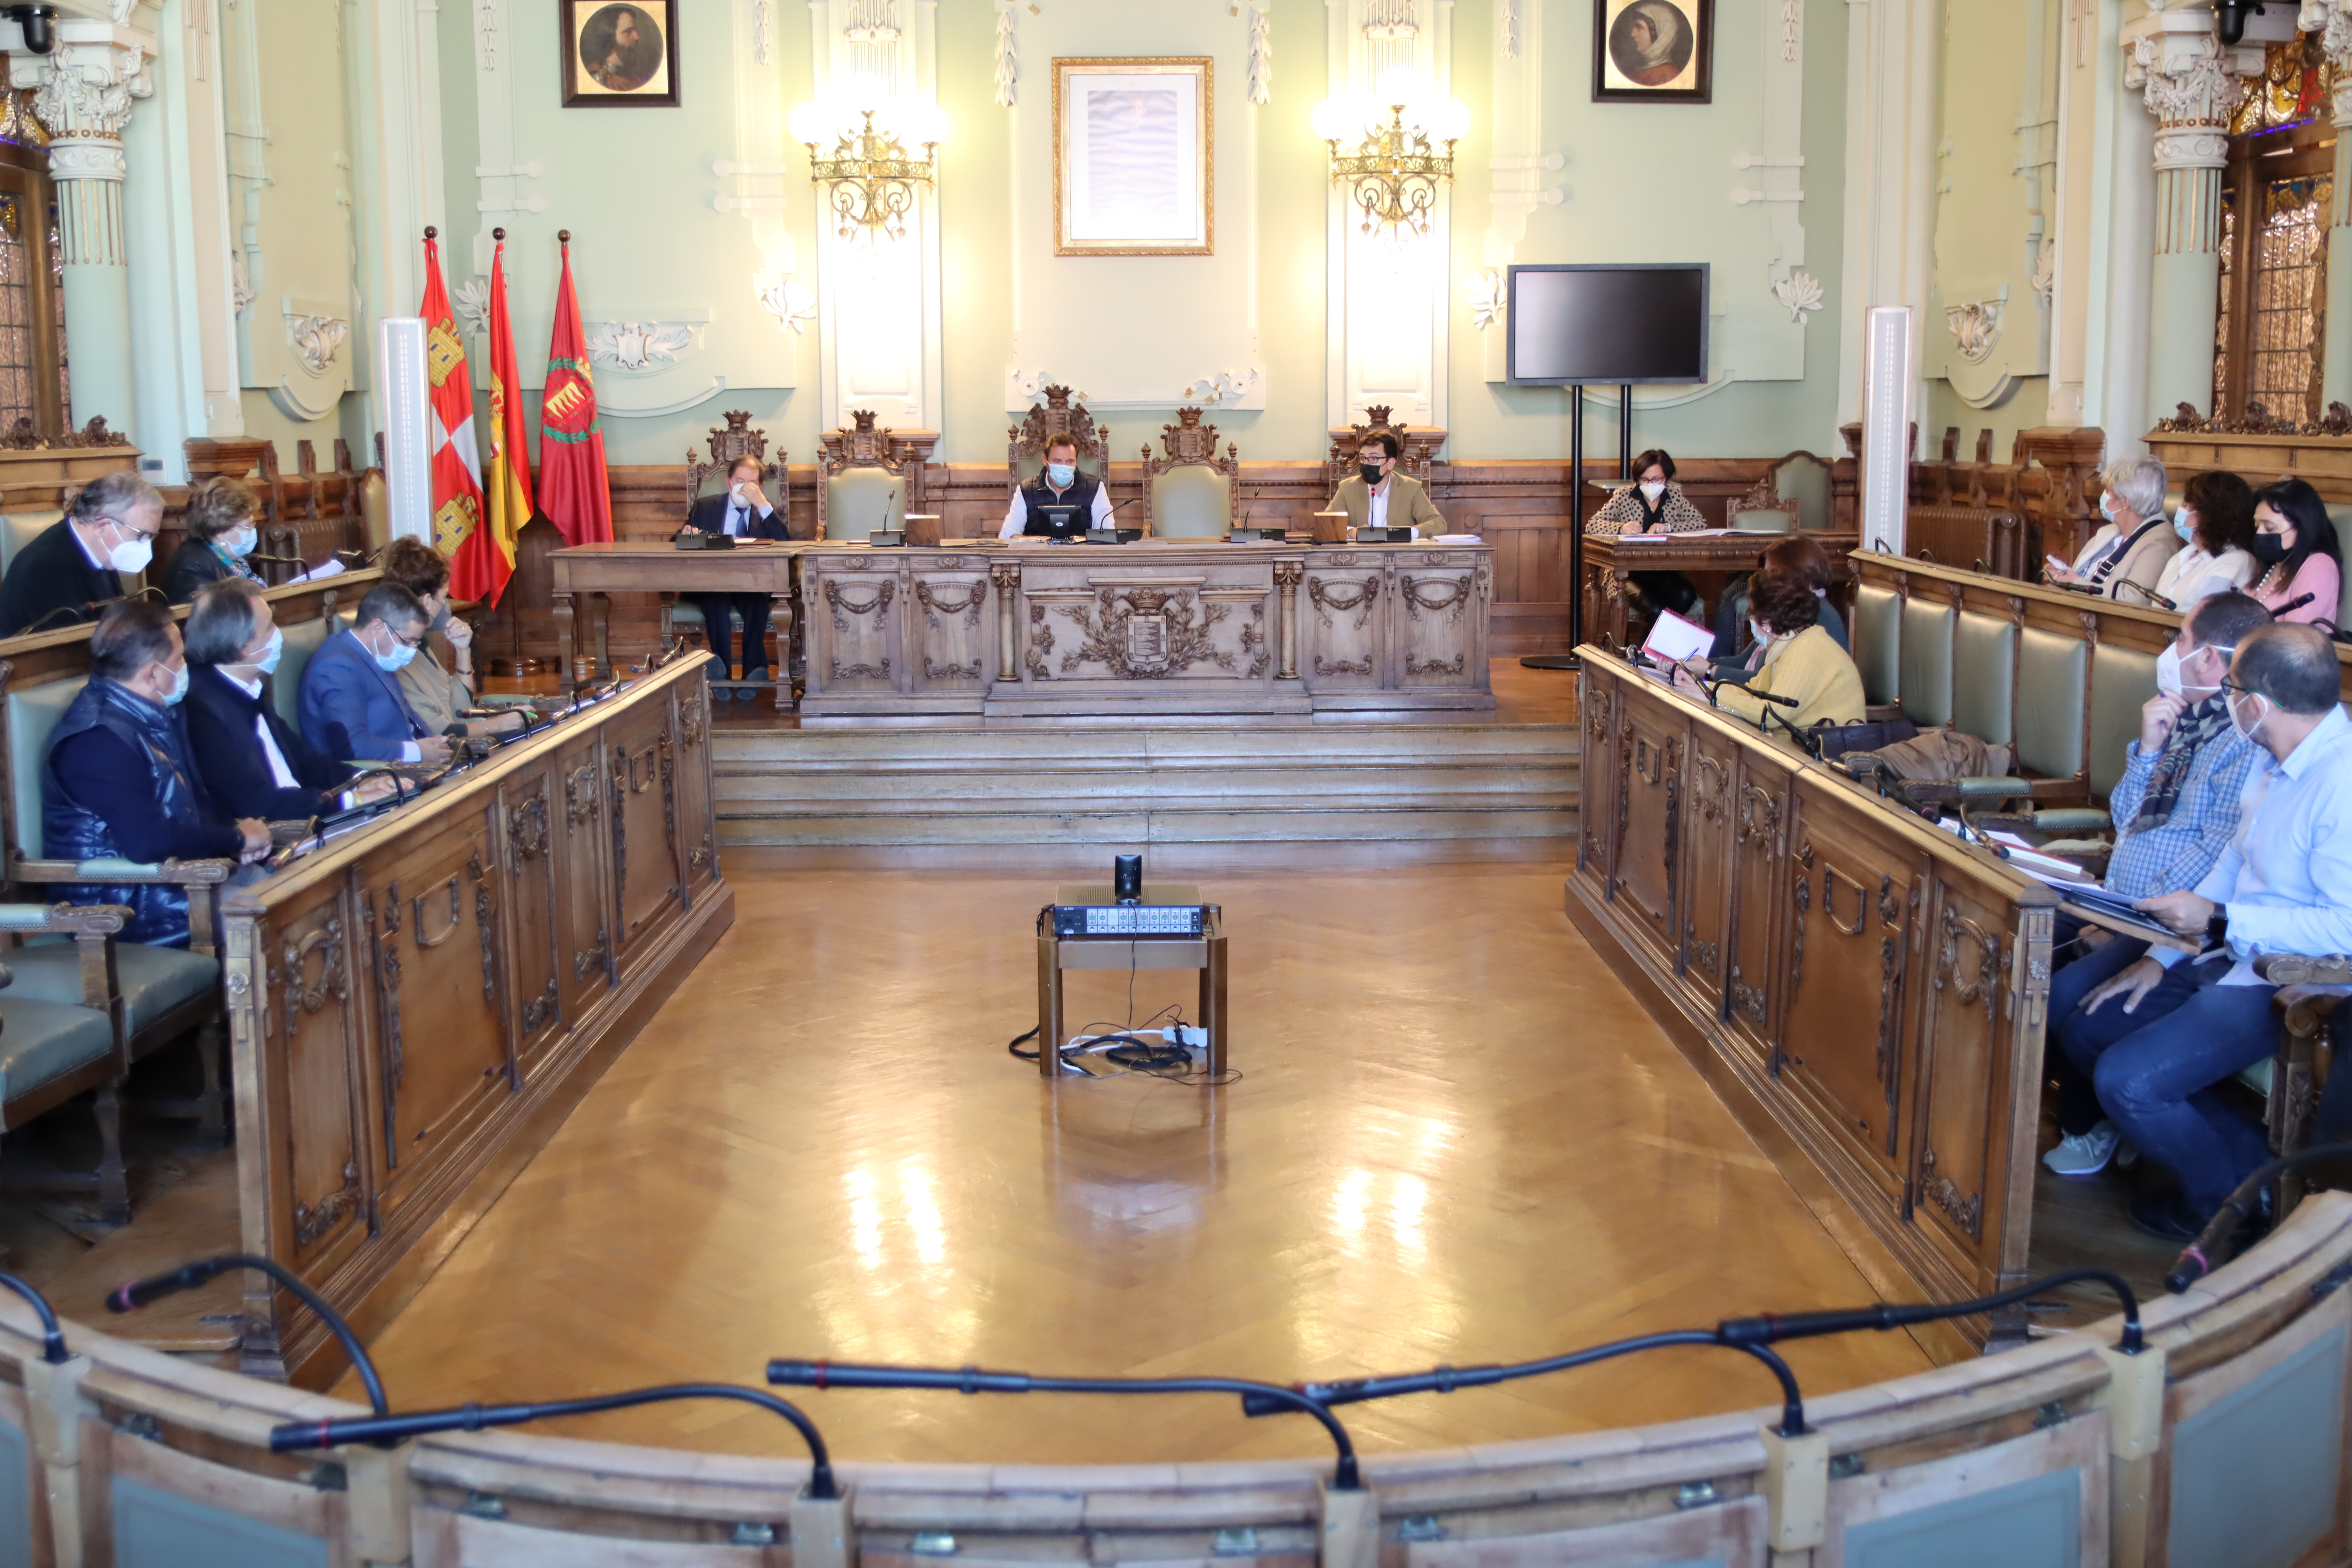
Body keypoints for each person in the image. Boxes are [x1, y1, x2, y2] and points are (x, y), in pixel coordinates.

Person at [2055, 623, 2352, 1241]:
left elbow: (2343, 926)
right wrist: (2161, 956)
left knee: (2129, 1080)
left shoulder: (2340, 784)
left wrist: (2222, 920)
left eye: (2233, 689)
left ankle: (2223, 1208)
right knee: (2087, 1026)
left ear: (2258, 704)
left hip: (2291, 978)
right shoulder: (2271, 758)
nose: (2225, 698)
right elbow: (2232, 862)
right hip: (2226, 948)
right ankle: (2256, 1174)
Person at [2040, 591, 2272, 1177]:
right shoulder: (2183, 722)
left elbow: (2216, 854)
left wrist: (2127, 913)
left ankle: (2101, 1124)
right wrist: (2148, 750)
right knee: (2039, 952)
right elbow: (2125, 818)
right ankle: (2093, 1120)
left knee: (2068, 998)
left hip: (2170, 919)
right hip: (2126, 901)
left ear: (2210, 658)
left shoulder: (2244, 739)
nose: (2171, 651)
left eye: (2181, 640)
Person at [42, 599, 270, 947]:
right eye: (179, 659)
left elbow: (191, 809)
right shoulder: (98, 740)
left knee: (288, 887)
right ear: (152, 674)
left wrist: (233, 843)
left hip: (176, 882)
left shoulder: (156, 714)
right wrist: (236, 839)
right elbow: (148, 841)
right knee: (264, 916)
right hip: (119, 911)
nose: (185, 666)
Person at [183, 580, 397, 821]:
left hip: (306, 816)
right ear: (241, 647)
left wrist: (361, 780)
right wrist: (351, 801)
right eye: (269, 627)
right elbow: (253, 801)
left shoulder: (247, 688)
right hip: (280, 831)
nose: (278, 633)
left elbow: (305, 761)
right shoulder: (200, 708)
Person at [1668, 567, 1863, 731]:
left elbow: (1771, 715)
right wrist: (1700, 686)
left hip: (1826, 753)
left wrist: (1710, 696)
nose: (1752, 620)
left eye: (1754, 615)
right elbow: (1752, 691)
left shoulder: (1804, 649)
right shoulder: (1789, 641)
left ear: (1769, 622)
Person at [379, 538, 526, 736]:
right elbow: (438, 732)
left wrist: (463, 650)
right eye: (444, 596)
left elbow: (461, 708)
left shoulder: (420, 644)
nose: (446, 605)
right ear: (427, 601)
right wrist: (499, 725)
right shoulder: (397, 655)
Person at [298, 583, 455, 765]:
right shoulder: (337, 667)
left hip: (405, 766)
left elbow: (408, 714)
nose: (411, 650)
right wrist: (417, 752)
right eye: (407, 641)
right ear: (377, 628)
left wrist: (436, 745)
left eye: (416, 643)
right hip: (374, 775)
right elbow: (351, 745)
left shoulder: (376, 655)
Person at [678, 455, 790, 698]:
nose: (745, 488)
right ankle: (722, 675)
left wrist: (763, 506)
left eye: (752, 483)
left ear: (760, 486)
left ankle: (754, 672)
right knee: (716, 604)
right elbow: (676, 541)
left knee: (757, 605)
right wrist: (686, 533)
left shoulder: (769, 511)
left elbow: (787, 544)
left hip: (751, 583)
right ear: (729, 482)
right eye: (740, 481)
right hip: (711, 582)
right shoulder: (706, 506)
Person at [0, 470, 163, 637]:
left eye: (151, 536)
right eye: (141, 535)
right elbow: (69, 645)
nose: (146, 545)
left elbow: (117, 624)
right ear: (102, 527)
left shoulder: (103, 552)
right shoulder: (44, 567)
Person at [1587, 449, 1707, 618]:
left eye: (1657, 479)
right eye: (1644, 479)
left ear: (1667, 478)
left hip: (1665, 569)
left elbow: (1700, 523)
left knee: (1686, 596)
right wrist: (1622, 528)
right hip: (1628, 572)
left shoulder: (1674, 495)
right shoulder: (1624, 496)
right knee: (1655, 608)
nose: (1650, 484)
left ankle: (1657, 634)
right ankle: (1658, 635)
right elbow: (1592, 524)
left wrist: (1668, 528)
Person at [2045, 456, 2179, 603]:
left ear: (2125, 503)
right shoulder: (2108, 532)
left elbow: (2134, 600)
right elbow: (2080, 577)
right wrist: (2061, 577)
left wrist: (2075, 584)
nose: (2104, 496)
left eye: (2108, 491)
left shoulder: (2160, 543)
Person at [1710, 533, 1847, 660]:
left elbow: (1772, 675)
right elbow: (1745, 661)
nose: (1767, 580)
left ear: (1796, 574)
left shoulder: (1818, 617)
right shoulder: (1789, 606)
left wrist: (1710, 669)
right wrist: (1706, 666)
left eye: (1771, 573)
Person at [2152, 471, 2258, 609]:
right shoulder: (2181, 556)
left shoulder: (2237, 561)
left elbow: (2198, 611)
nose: (2182, 510)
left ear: (2210, 516)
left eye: (2188, 506)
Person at [2246, 478, 2342, 627]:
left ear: (2302, 529)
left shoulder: (2319, 566)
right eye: (2257, 526)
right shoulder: (2269, 565)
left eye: (2270, 528)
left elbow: (2295, 633)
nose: (2259, 534)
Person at [159, 477, 267, 604]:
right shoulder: (192, 566)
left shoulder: (230, 558)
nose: (254, 530)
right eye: (248, 525)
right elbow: (216, 613)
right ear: (221, 532)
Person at [1322, 433, 1445, 538]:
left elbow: (1439, 523)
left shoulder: (1411, 489)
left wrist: (1404, 533)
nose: (1366, 464)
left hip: (1398, 555)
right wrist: (1351, 532)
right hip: (1359, 556)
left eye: (1374, 459)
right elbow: (1325, 523)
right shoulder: (1347, 488)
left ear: (1390, 463)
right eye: (1363, 458)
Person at [1001, 435, 1115, 539]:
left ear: (1077, 461)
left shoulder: (1095, 488)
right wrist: (1038, 542)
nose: (1064, 467)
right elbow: (1008, 534)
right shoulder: (1026, 490)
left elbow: (1107, 535)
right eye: (1058, 461)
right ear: (1045, 460)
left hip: (1081, 554)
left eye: (1070, 462)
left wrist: (1077, 542)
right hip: (1038, 554)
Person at [584, 3, 659, 90]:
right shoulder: (598, 79)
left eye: (634, 30)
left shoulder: (637, 79)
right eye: (628, 32)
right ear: (610, 37)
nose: (637, 37)